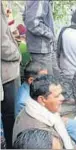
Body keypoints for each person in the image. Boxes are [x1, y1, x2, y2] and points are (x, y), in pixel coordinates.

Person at [13, 75, 76, 149]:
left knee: (75, 124)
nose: (62, 98)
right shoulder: (41, 134)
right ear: (42, 100)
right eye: (57, 96)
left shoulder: (34, 108)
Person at [1, 3, 21, 148]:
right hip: (6, 72)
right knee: (10, 115)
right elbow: (2, 45)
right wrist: (17, 54)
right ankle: (11, 144)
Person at [23, 0, 56, 75]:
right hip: (41, 50)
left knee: (51, 80)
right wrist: (50, 34)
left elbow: (25, 17)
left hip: (42, 48)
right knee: (45, 82)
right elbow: (32, 23)